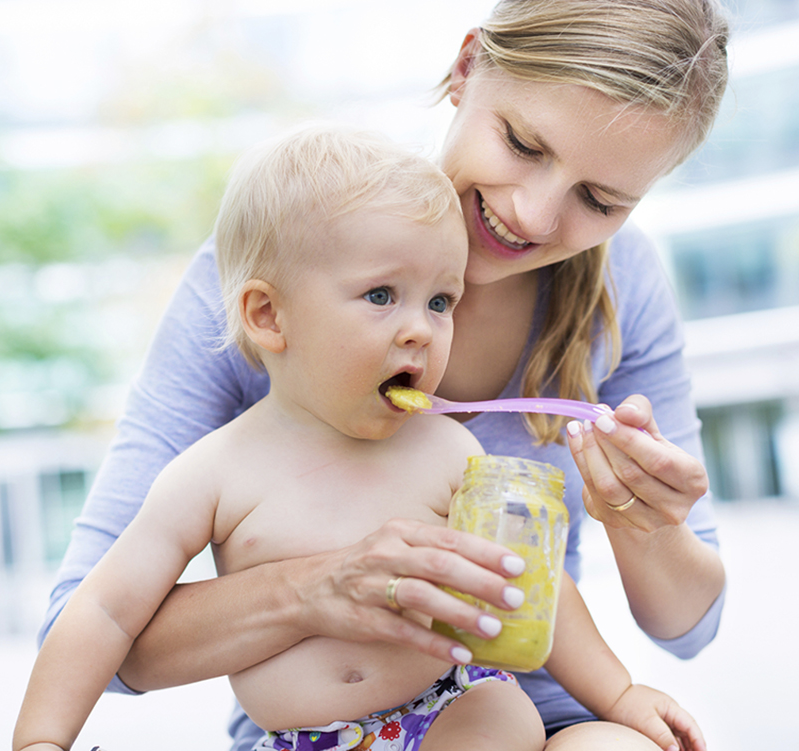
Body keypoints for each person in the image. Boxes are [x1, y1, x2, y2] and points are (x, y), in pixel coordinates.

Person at [38, 1, 731, 748]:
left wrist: (643, 525)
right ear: (466, 68)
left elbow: (682, 627)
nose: (532, 215)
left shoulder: (615, 294)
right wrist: (316, 590)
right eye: (523, 143)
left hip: (501, 715)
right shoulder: (285, 257)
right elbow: (96, 616)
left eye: (600, 200)